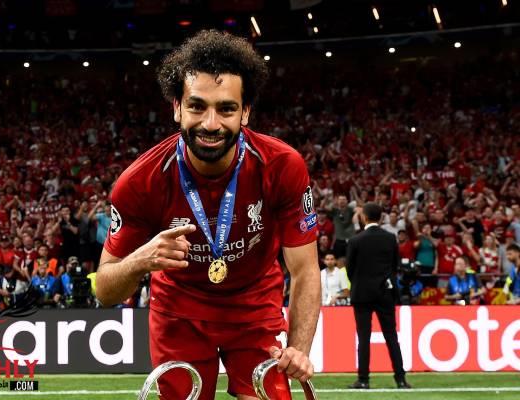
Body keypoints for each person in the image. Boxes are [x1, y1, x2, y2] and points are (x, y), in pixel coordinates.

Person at [96, 30, 321, 400]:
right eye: (197, 106)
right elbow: (104, 291)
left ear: (245, 112)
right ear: (177, 108)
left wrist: (298, 349)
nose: (211, 123)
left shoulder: (283, 166)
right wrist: (140, 260)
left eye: (226, 109)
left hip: (254, 305)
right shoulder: (140, 181)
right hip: (178, 311)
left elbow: (306, 270)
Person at [345, 202, 410, 389]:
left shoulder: (355, 240)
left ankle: (363, 380)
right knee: (391, 336)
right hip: (384, 293)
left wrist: (360, 283)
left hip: (362, 294)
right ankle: (400, 379)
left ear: (364, 217)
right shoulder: (390, 238)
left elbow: (350, 269)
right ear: (381, 217)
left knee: (363, 337)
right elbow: (395, 266)